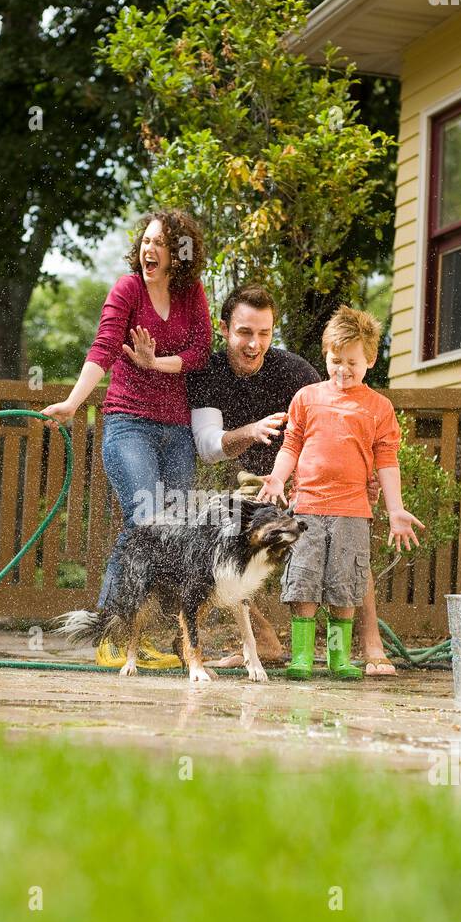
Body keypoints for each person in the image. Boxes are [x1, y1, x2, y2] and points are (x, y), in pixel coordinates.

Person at [188, 285, 396, 674]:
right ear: (224, 329)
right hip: (252, 481)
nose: (254, 343)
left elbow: (338, 424)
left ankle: (371, 644)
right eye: (245, 332)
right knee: (229, 537)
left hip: (307, 482)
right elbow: (207, 446)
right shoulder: (209, 372)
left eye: (264, 333)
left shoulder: (295, 371)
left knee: (346, 538)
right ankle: (262, 641)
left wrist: (364, 476)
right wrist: (250, 433)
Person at [42, 209, 211, 669]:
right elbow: (103, 346)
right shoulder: (127, 289)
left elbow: (200, 352)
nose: (149, 250)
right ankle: (112, 635)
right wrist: (75, 404)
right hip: (127, 422)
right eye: (146, 241)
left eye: (160, 244)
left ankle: (135, 635)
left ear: (179, 255)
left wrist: (157, 364)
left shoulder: (191, 293)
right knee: (145, 520)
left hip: (176, 428)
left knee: (170, 533)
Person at [258, 305, 424, 681]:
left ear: (370, 359)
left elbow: (387, 460)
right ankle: (301, 656)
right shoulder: (306, 398)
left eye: (352, 362)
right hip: (308, 507)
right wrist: (277, 479)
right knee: (304, 578)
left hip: (353, 511)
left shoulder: (379, 408)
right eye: (336, 360)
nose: (343, 369)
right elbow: (291, 445)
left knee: (345, 583)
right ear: (326, 355)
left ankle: (338, 658)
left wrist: (395, 508)